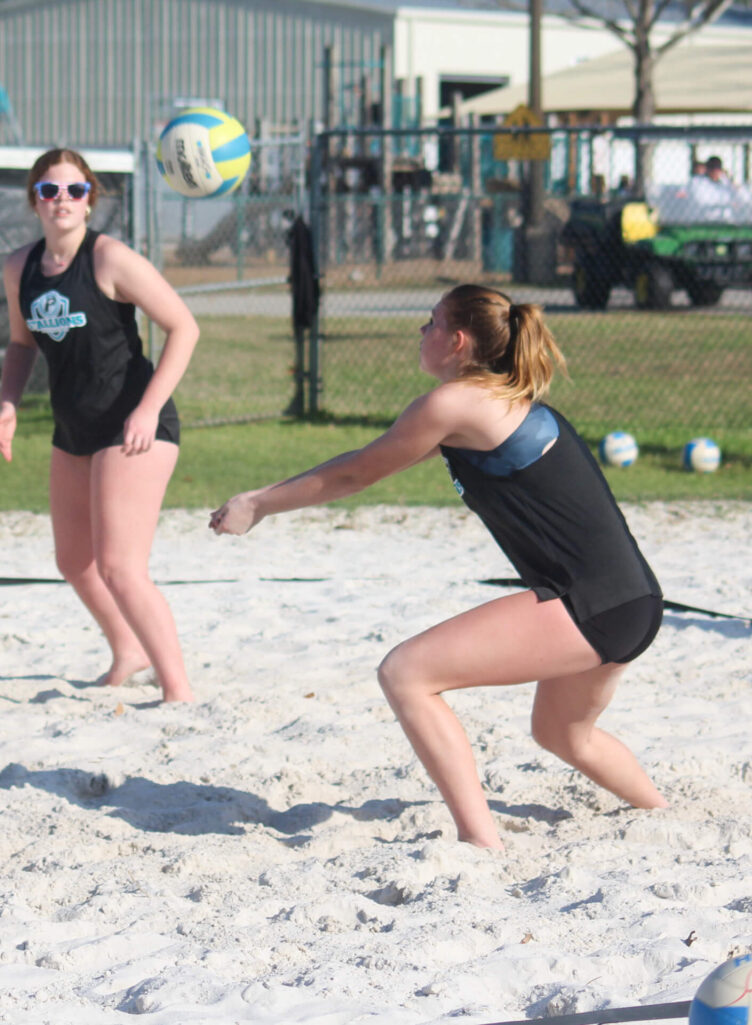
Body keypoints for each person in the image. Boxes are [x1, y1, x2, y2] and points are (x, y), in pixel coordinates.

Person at [209, 285, 668, 847]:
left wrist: (257, 504)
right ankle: (659, 814)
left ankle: (481, 843)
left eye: (429, 324)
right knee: (562, 735)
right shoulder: (491, 402)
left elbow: (356, 476)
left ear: (457, 341)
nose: (420, 334)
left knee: (406, 674)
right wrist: (262, 497)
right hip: (634, 603)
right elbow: (365, 462)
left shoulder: (455, 404)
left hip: (589, 607)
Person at [0, 148, 199, 703]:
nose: (62, 200)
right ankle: (127, 651)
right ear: (34, 200)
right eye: (50, 190)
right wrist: (9, 404)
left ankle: (178, 690)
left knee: (120, 567)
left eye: (75, 191)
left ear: (90, 202)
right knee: (74, 561)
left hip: (133, 422)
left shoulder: (109, 258)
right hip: (75, 425)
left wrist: (149, 408)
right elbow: (20, 343)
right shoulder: (21, 267)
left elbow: (184, 328)